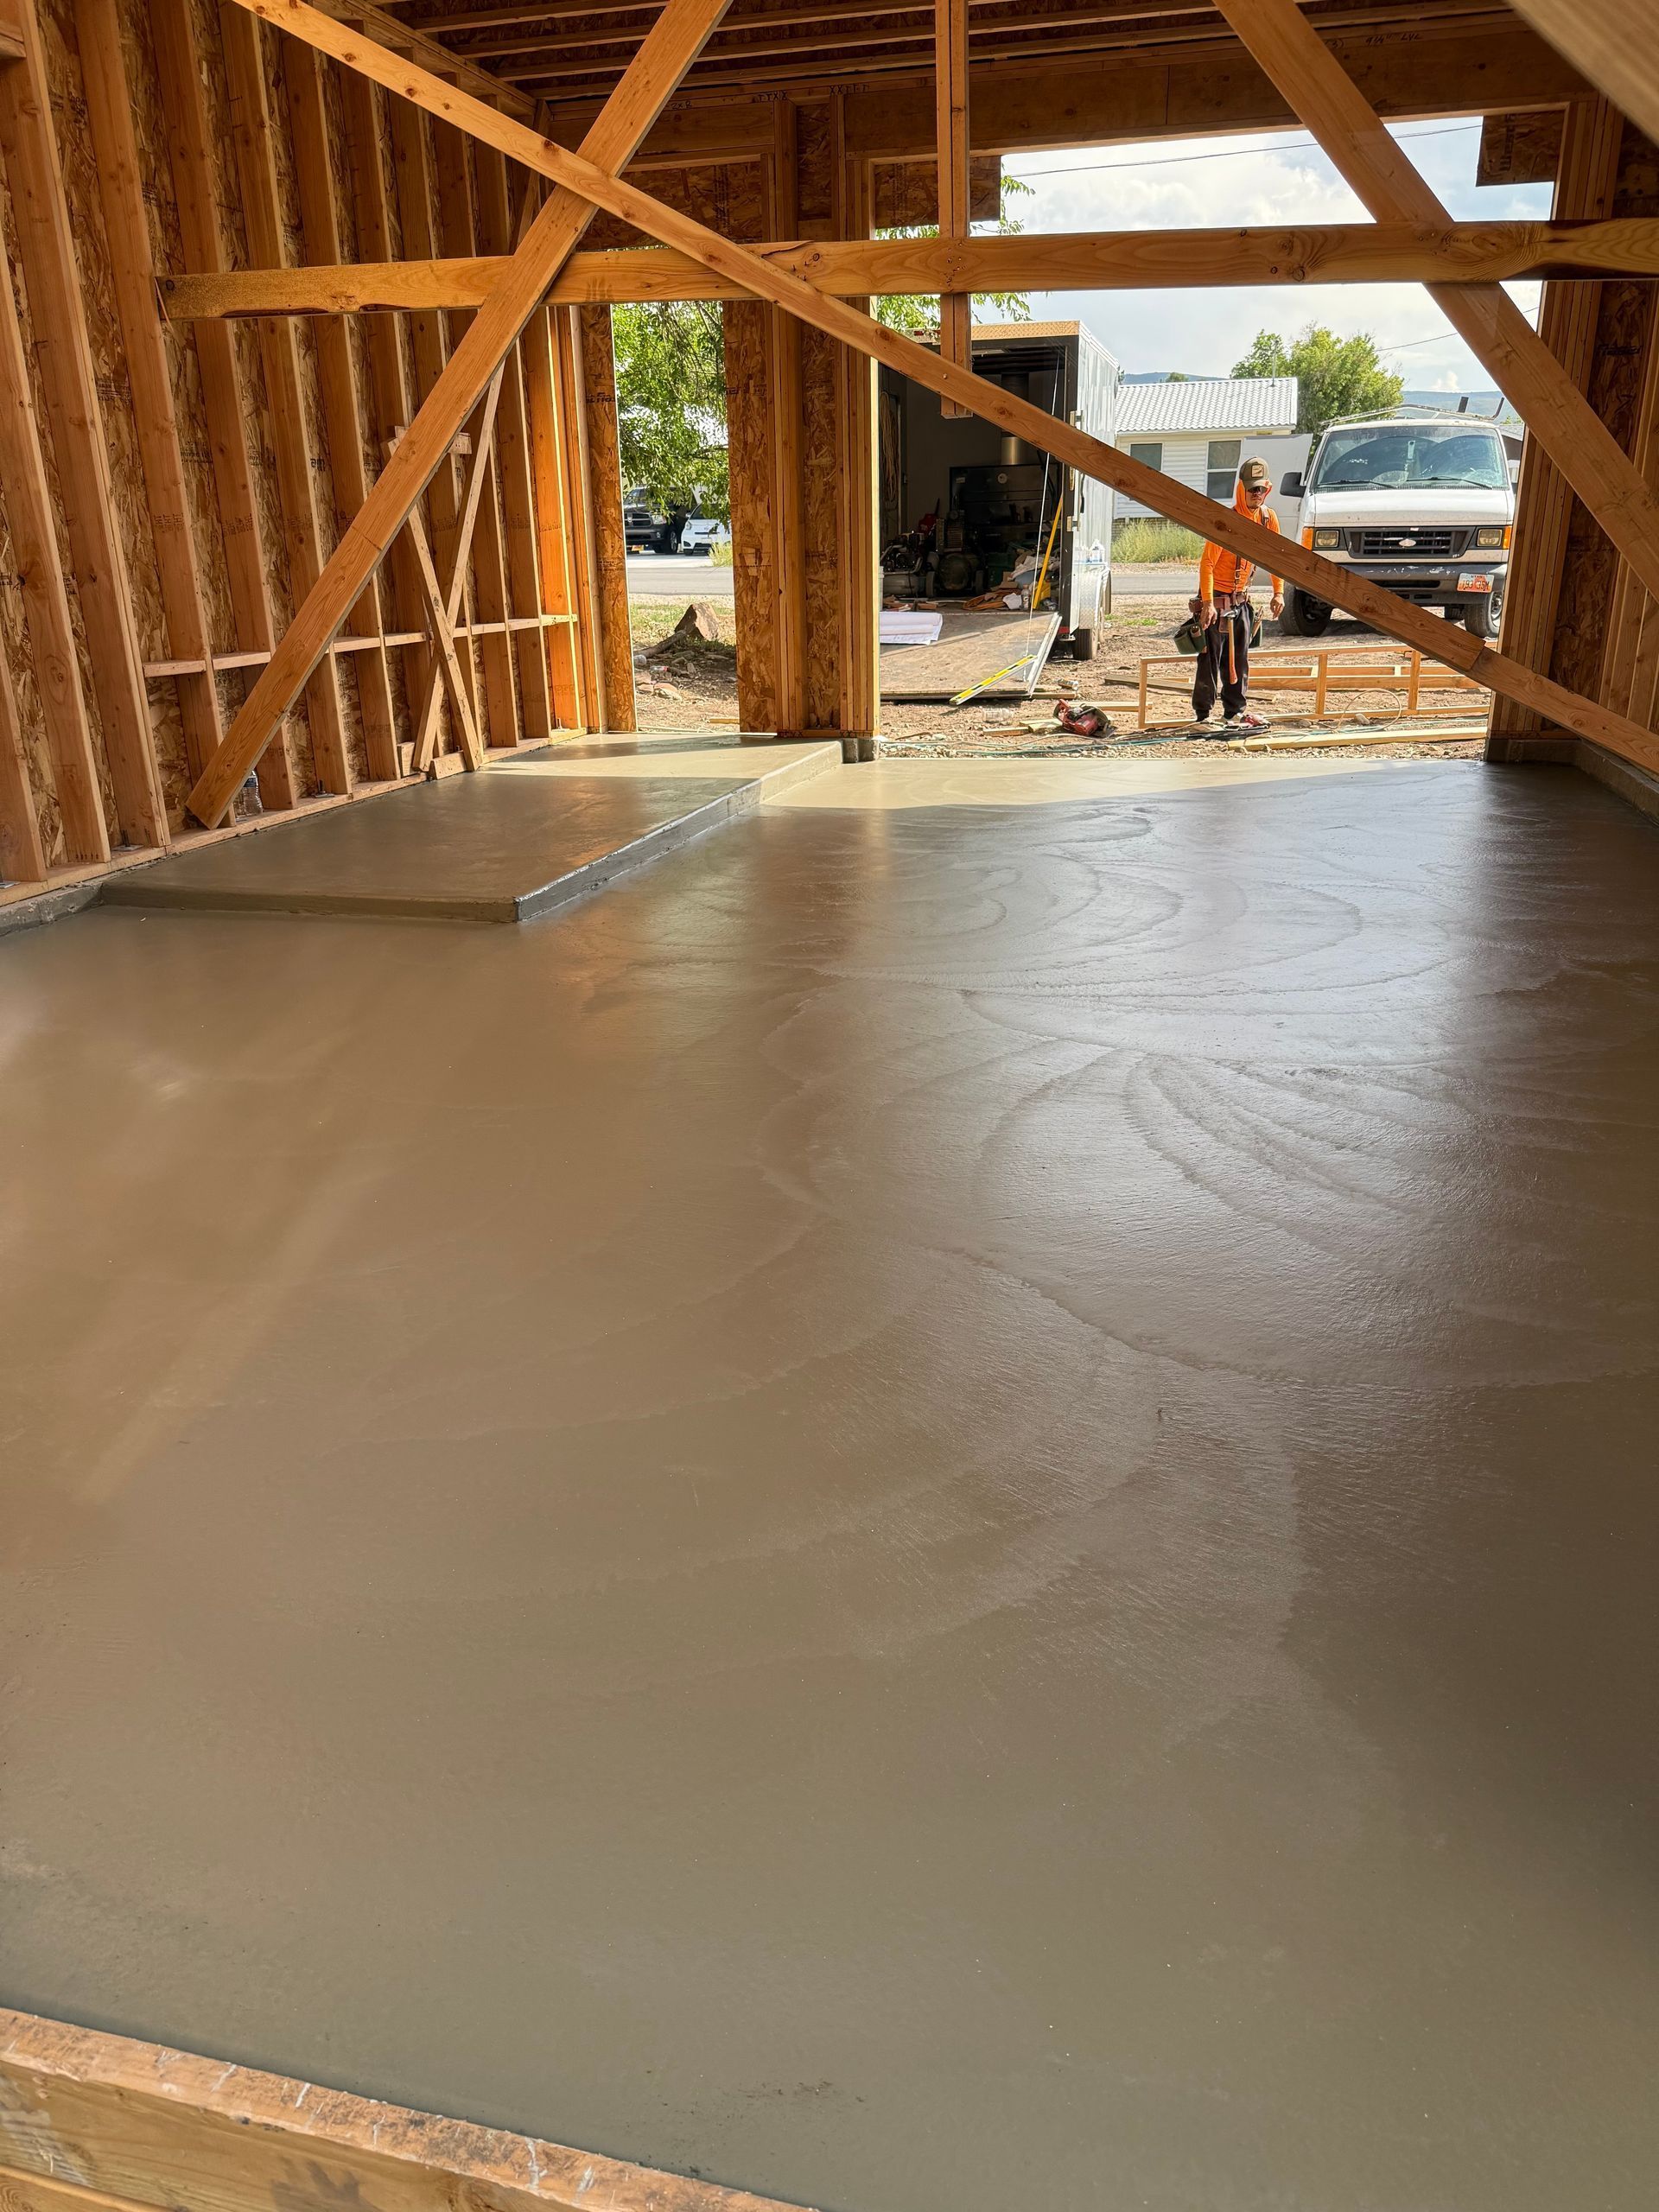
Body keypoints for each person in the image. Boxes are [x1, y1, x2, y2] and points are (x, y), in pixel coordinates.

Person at [1192, 455, 1284, 733]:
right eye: (1252, 489)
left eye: (1262, 489)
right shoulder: (1226, 521)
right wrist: (1207, 603)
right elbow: (1207, 564)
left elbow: (1275, 557)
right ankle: (1203, 715)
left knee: (1239, 659)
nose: (1257, 495)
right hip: (1216, 598)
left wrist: (1278, 592)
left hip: (1241, 599)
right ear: (1241, 489)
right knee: (1209, 658)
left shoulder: (1268, 519)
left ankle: (1234, 712)